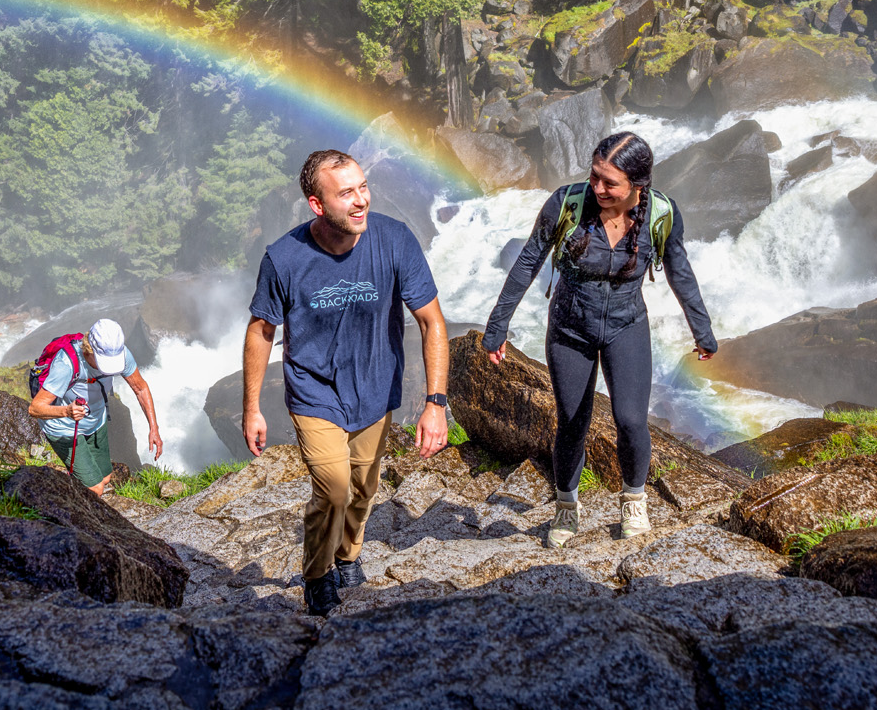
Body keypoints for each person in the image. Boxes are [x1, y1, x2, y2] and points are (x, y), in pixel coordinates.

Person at [482, 131, 718, 550]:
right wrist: (497, 326)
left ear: (637, 185)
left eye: (610, 183)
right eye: (595, 177)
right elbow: (527, 263)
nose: (598, 188)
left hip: (627, 326)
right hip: (570, 328)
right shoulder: (566, 204)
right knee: (573, 419)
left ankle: (633, 501)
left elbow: (680, 270)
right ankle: (566, 507)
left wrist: (702, 330)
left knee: (630, 420)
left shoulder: (661, 214)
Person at [243, 149, 449, 617]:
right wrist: (251, 406)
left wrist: (436, 402)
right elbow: (261, 331)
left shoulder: (395, 241)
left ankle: (348, 554)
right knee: (334, 487)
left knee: (363, 488)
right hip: (314, 391)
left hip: (376, 388)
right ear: (317, 205)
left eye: (363, 187)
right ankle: (317, 576)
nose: (361, 202)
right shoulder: (285, 257)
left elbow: (432, 322)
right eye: (346, 194)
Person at [27, 319, 163, 496]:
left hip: (96, 420)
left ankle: (76, 497)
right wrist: (66, 411)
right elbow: (35, 408)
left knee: (105, 478)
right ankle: (71, 516)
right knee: (95, 488)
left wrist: (154, 428)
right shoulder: (66, 364)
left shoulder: (121, 354)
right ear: (88, 348)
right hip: (65, 428)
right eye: (102, 361)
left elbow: (140, 387)